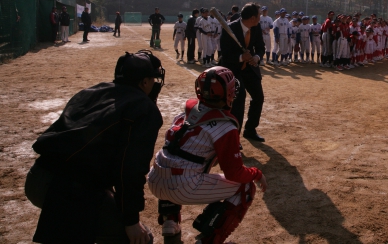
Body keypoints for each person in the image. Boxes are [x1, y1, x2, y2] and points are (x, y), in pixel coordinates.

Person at [25, 50, 165, 244]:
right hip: (65, 187)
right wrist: (131, 220)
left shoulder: (92, 91)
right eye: (152, 79)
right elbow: (129, 169)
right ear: (144, 82)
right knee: (141, 239)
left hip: (37, 178)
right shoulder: (143, 108)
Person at [147, 66, 267, 242]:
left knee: (181, 158)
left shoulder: (189, 108)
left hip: (154, 178)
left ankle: (169, 220)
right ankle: (210, 240)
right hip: (181, 186)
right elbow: (234, 173)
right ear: (228, 94)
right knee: (246, 186)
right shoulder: (225, 126)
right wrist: (256, 173)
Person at [219, 3, 266, 142]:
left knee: (258, 97)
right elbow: (225, 55)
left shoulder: (256, 27)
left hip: (250, 68)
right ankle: (235, 137)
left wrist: (256, 57)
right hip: (234, 68)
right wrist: (240, 57)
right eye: (258, 15)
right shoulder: (229, 29)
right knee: (239, 100)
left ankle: (250, 130)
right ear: (252, 18)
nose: (260, 18)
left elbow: (260, 47)